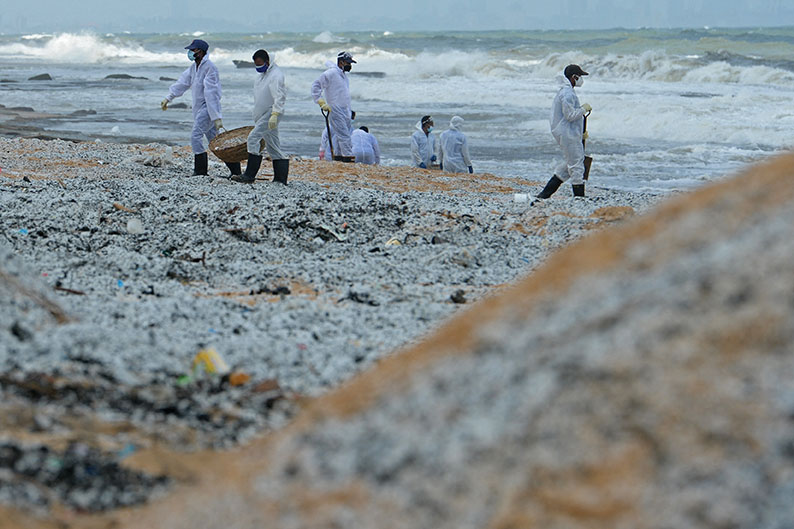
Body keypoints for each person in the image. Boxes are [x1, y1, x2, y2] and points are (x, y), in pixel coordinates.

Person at [161, 39, 239, 177]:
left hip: (208, 108)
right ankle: (235, 171)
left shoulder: (210, 68)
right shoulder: (193, 68)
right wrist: (169, 97)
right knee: (216, 143)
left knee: (195, 136)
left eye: (193, 50)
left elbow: (212, 93)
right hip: (200, 109)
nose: (190, 53)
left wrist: (216, 116)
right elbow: (182, 83)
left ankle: (200, 171)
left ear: (201, 51)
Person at [536, 64, 592, 199]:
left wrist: (581, 132)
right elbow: (570, 115)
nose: (581, 80)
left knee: (568, 166)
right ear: (574, 77)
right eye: (580, 77)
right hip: (568, 134)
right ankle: (579, 198)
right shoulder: (567, 93)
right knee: (577, 165)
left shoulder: (566, 91)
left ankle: (544, 194)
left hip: (569, 133)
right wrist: (583, 109)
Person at [232, 49, 289, 185]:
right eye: (256, 64)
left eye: (260, 63)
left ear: (267, 61)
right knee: (273, 145)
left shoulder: (276, 75)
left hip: (271, 113)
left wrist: (275, 114)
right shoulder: (261, 75)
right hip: (263, 114)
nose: (258, 66)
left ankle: (249, 175)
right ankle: (280, 179)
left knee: (253, 138)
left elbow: (280, 96)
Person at [311, 51, 356, 161]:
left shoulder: (343, 76)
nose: (350, 66)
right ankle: (348, 158)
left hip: (345, 109)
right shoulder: (330, 73)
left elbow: (342, 94)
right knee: (344, 135)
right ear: (341, 62)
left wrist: (350, 110)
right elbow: (316, 86)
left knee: (339, 136)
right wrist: (321, 102)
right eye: (348, 63)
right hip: (335, 109)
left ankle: (339, 157)